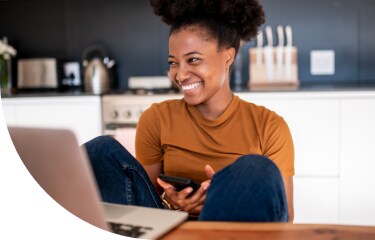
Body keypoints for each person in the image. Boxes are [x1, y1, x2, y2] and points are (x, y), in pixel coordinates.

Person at [84, 0, 294, 222]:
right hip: (171, 228)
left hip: (232, 231)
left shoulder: (269, 126)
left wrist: (229, 193)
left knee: (254, 169)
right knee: (99, 149)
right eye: (173, 63)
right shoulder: (157, 119)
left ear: (228, 57)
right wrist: (171, 204)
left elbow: (286, 217)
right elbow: (143, 201)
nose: (180, 75)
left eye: (193, 60)